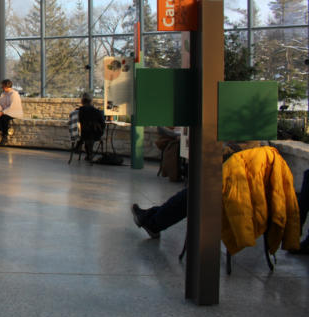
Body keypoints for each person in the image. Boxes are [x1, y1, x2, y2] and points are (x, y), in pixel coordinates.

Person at [132, 147, 301, 256]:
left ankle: (152, 221)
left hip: (237, 198)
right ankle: (151, 218)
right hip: (241, 193)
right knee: (191, 194)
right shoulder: (262, 149)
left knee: (191, 196)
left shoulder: (243, 146)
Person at [77, 92, 105, 161]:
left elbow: (79, 121)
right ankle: (90, 154)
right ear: (91, 101)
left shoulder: (80, 110)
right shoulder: (97, 111)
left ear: (82, 101)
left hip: (84, 133)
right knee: (90, 136)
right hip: (95, 134)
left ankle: (88, 153)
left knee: (87, 136)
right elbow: (102, 123)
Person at [0, 79, 22, 145]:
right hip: (5, 112)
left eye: (3, 86)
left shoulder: (14, 94)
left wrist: (2, 112)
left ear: (7, 86)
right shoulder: (3, 94)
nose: (2, 88)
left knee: (3, 118)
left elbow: (13, 106)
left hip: (13, 112)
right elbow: (1, 104)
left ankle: (5, 136)